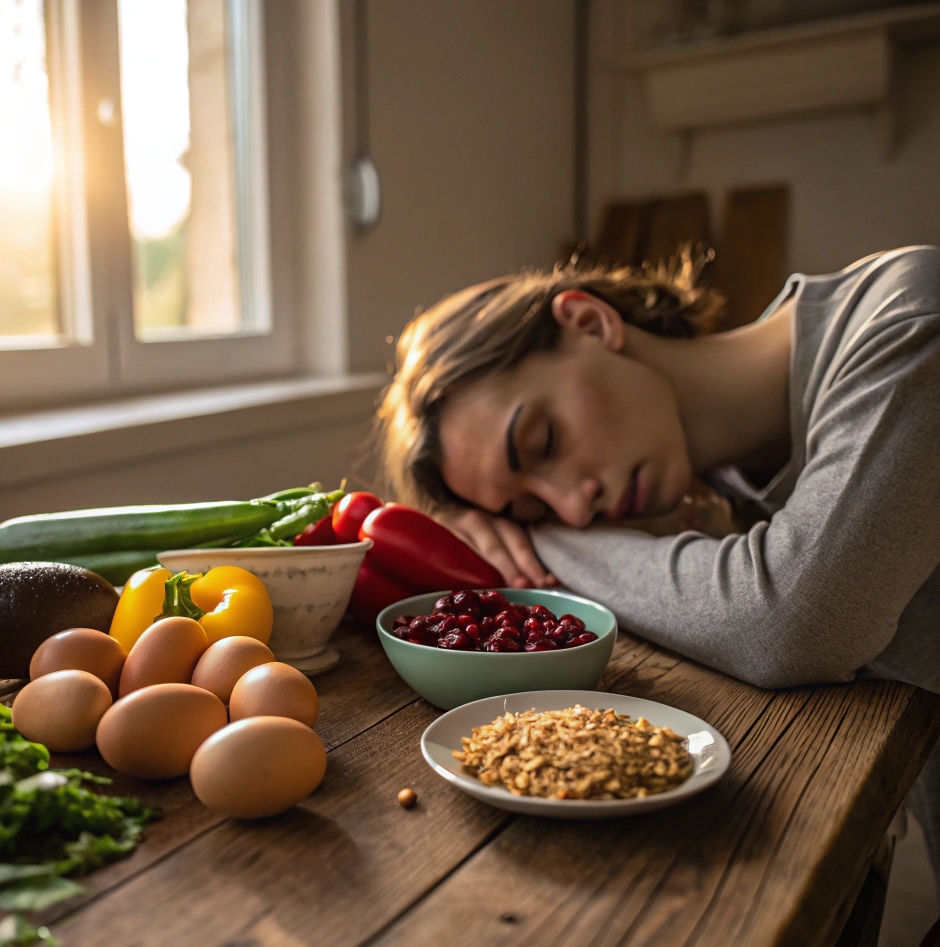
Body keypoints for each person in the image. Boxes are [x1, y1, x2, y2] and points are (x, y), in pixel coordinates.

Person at [376, 245, 940, 887]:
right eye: (532, 507)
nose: (571, 505)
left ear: (591, 324)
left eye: (543, 441)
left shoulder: (909, 321)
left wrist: (545, 542)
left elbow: (791, 620)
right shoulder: (723, 483)